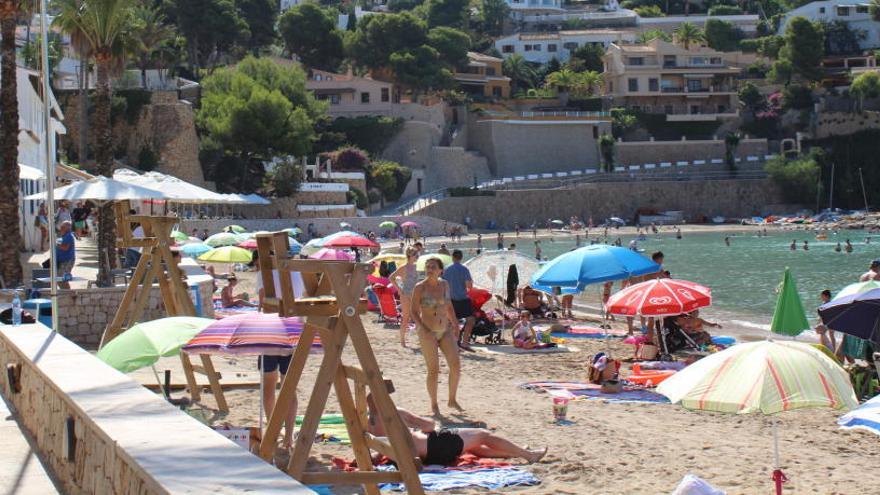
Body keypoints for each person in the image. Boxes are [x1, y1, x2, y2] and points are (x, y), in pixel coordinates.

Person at [365, 397, 547, 465]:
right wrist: (428, 424)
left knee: (471, 446)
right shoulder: (395, 412)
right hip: (434, 447)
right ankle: (529, 455)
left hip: (422, 457)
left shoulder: (368, 422)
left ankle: (512, 454)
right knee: (483, 435)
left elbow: (378, 449)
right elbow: (428, 425)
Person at [412, 257, 463, 415]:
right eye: (428, 267)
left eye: (433, 267)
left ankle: (452, 399)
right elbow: (413, 311)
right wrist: (423, 329)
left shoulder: (445, 284)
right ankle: (434, 404)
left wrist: (455, 324)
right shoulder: (420, 287)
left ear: (441, 270)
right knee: (434, 370)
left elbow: (449, 306)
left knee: (455, 365)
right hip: (428, 331)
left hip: (445, 330)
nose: (430, 269)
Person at [258, 354, 298, 449]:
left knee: (268, 384)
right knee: (290, 388)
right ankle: (288, 437)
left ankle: (272, 433)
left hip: (269, 343)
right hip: (291, 343)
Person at [443, 250, 475, 350]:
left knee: (453, 322)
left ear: (452, 257)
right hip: (463, 299)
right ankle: (464, 342)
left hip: (451, 299)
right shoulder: (464, 269)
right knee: (470, 320)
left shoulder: (447, 269)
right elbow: (469, 286)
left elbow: (443, 284)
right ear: (461, 258)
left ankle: (453, 342)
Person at [390, 247, 420, 347]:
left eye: (417, 255)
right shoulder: (404, 267)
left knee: (418, 317)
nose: (417, 256)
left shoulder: (417, 266)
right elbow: (391, 277)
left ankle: (420, 339)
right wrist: (398, 289)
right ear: (410, 256)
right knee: (406, 317)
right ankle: (402, 340)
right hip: (406, 295)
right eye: (416, 255)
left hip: (416, 295)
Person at [55, 221, 76, 289]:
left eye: (63, 227)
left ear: (67, 228)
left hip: (68, 260)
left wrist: (56, 244)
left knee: (62, 278)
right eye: (61, 227)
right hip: (62, 260)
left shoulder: (69, 236)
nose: (61, 228)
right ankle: (67, 292)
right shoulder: (63, 236)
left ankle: (69, 293)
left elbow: (66, 247)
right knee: (60, 278)